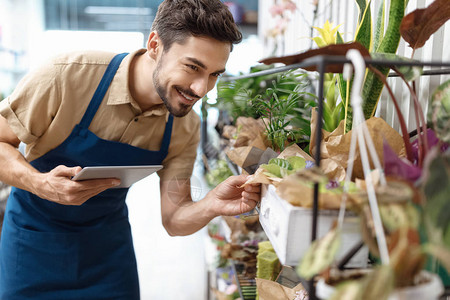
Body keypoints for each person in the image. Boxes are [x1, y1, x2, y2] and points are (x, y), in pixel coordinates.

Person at [0, 0, 261, 298]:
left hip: (107, 252)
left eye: (214, 74)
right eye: (192, 67)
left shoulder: (184, 126)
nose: (201, 89)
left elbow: (174, 219)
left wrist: (212, 204)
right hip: (33, 244)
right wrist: (40, 183)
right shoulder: (67, 76)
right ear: (154, 45)